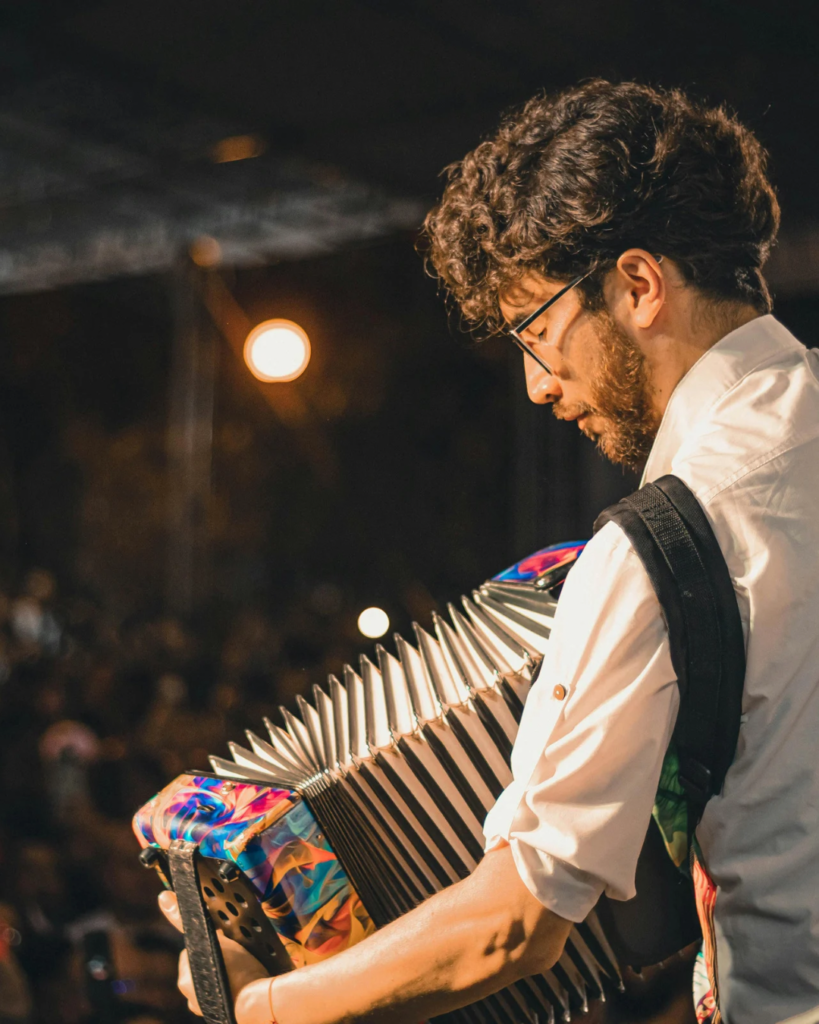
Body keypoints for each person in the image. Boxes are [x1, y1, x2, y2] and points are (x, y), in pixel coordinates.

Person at [161, 80, 819, 1024]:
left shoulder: (661, 548)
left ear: (638, 286)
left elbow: (515, 926)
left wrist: (260, 1008)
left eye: (537, 332)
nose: (538, 384)